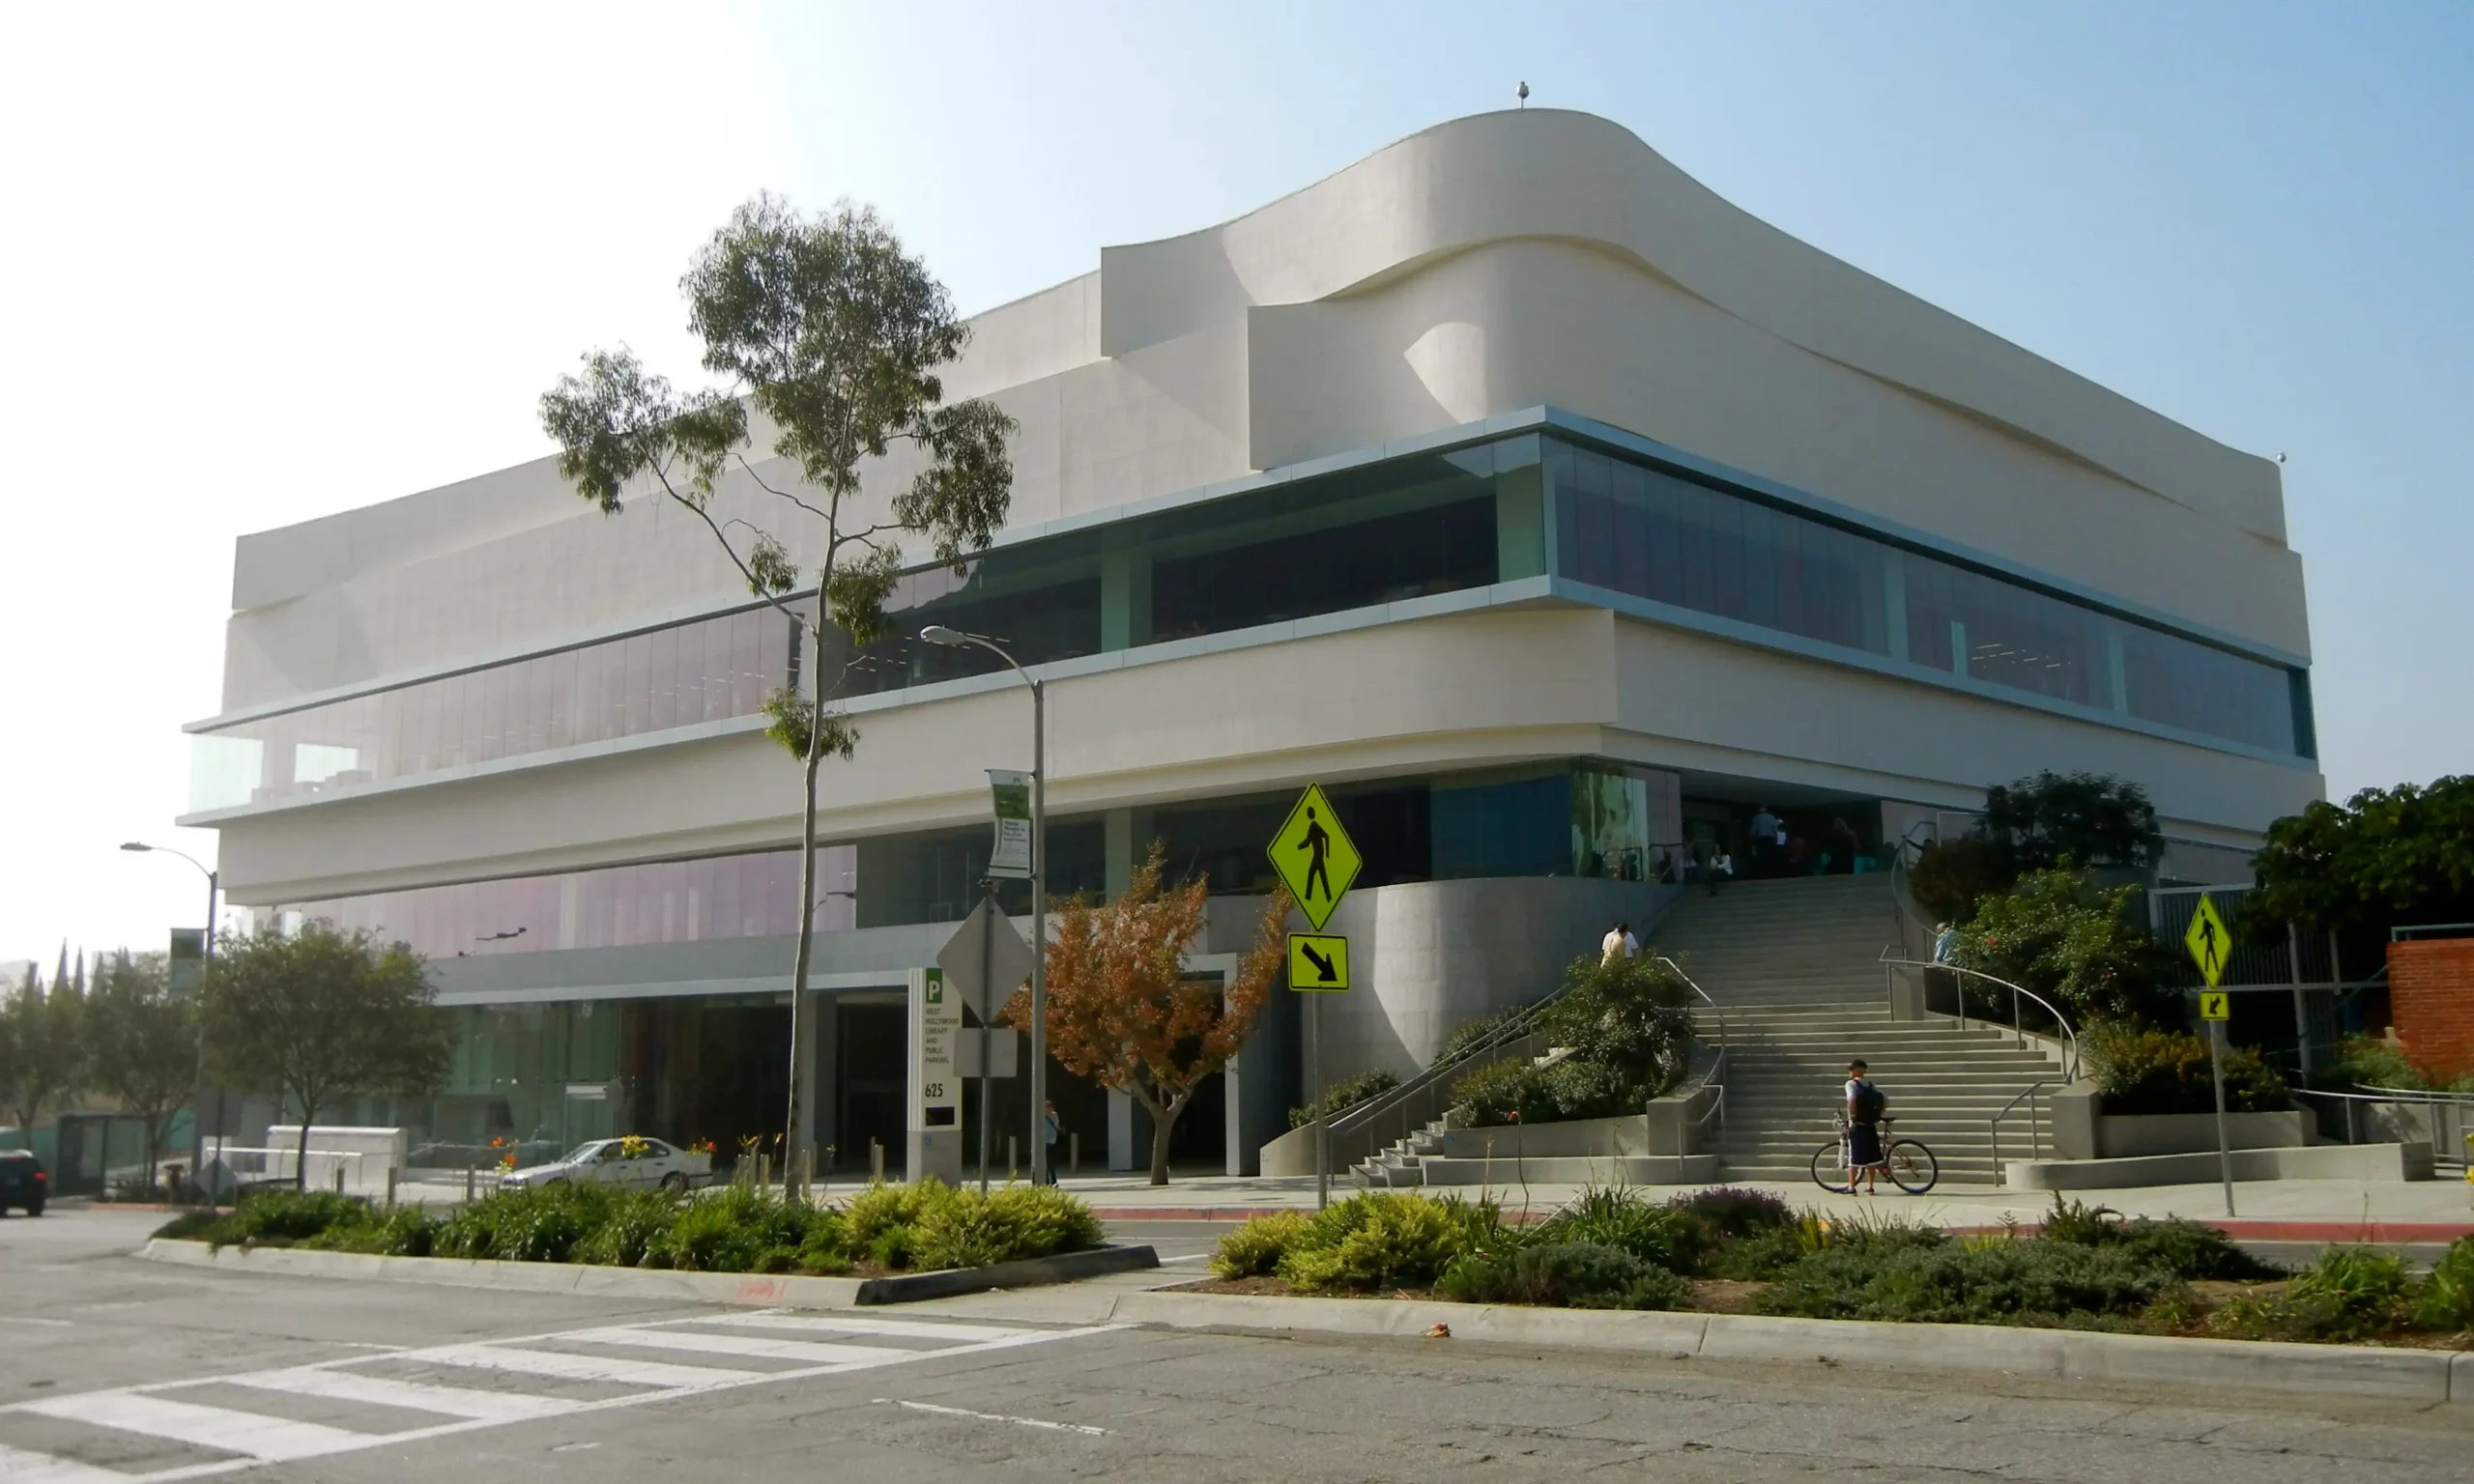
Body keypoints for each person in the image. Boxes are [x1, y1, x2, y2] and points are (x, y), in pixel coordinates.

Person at [1844, 1059, 1887, 1194]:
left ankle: (1851, 1187)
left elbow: (1851, 1100)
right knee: (1872, 1158)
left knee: (1853, 1157)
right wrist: (1878, 1114)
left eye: (1851, 1070)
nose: (1849, 1073)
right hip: (1870, 1124)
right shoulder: (1870, 1084)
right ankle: (1870, 1187)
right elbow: (1885, 1099)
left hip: (1858, 1124)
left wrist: (1852, 1117)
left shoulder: (1851, 1084)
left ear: (1856, 1070)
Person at [1750, 805, 1781, 876]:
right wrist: (1776, 842)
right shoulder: (1772, 817)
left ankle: (1762, 874)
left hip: (1761, 840)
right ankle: (1771, 873)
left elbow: (1753, 831)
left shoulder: (1757, 817)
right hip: (1771, 840)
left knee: (1762, 858)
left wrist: (1751, 840)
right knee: (1770, 857)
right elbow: (1775, 830)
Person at [1041, 1099, 1061, 1184]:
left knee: (1051, 1163)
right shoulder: (1041, 1116)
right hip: (1043, 1142)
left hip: (1052, 1141)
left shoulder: (1054, 1115)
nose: (1049, 1109)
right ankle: (1047, 1181)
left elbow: (1056, 1125)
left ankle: (1053, 1181)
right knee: (1044, 1162)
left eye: (1050, 1107)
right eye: (1047, 1107)